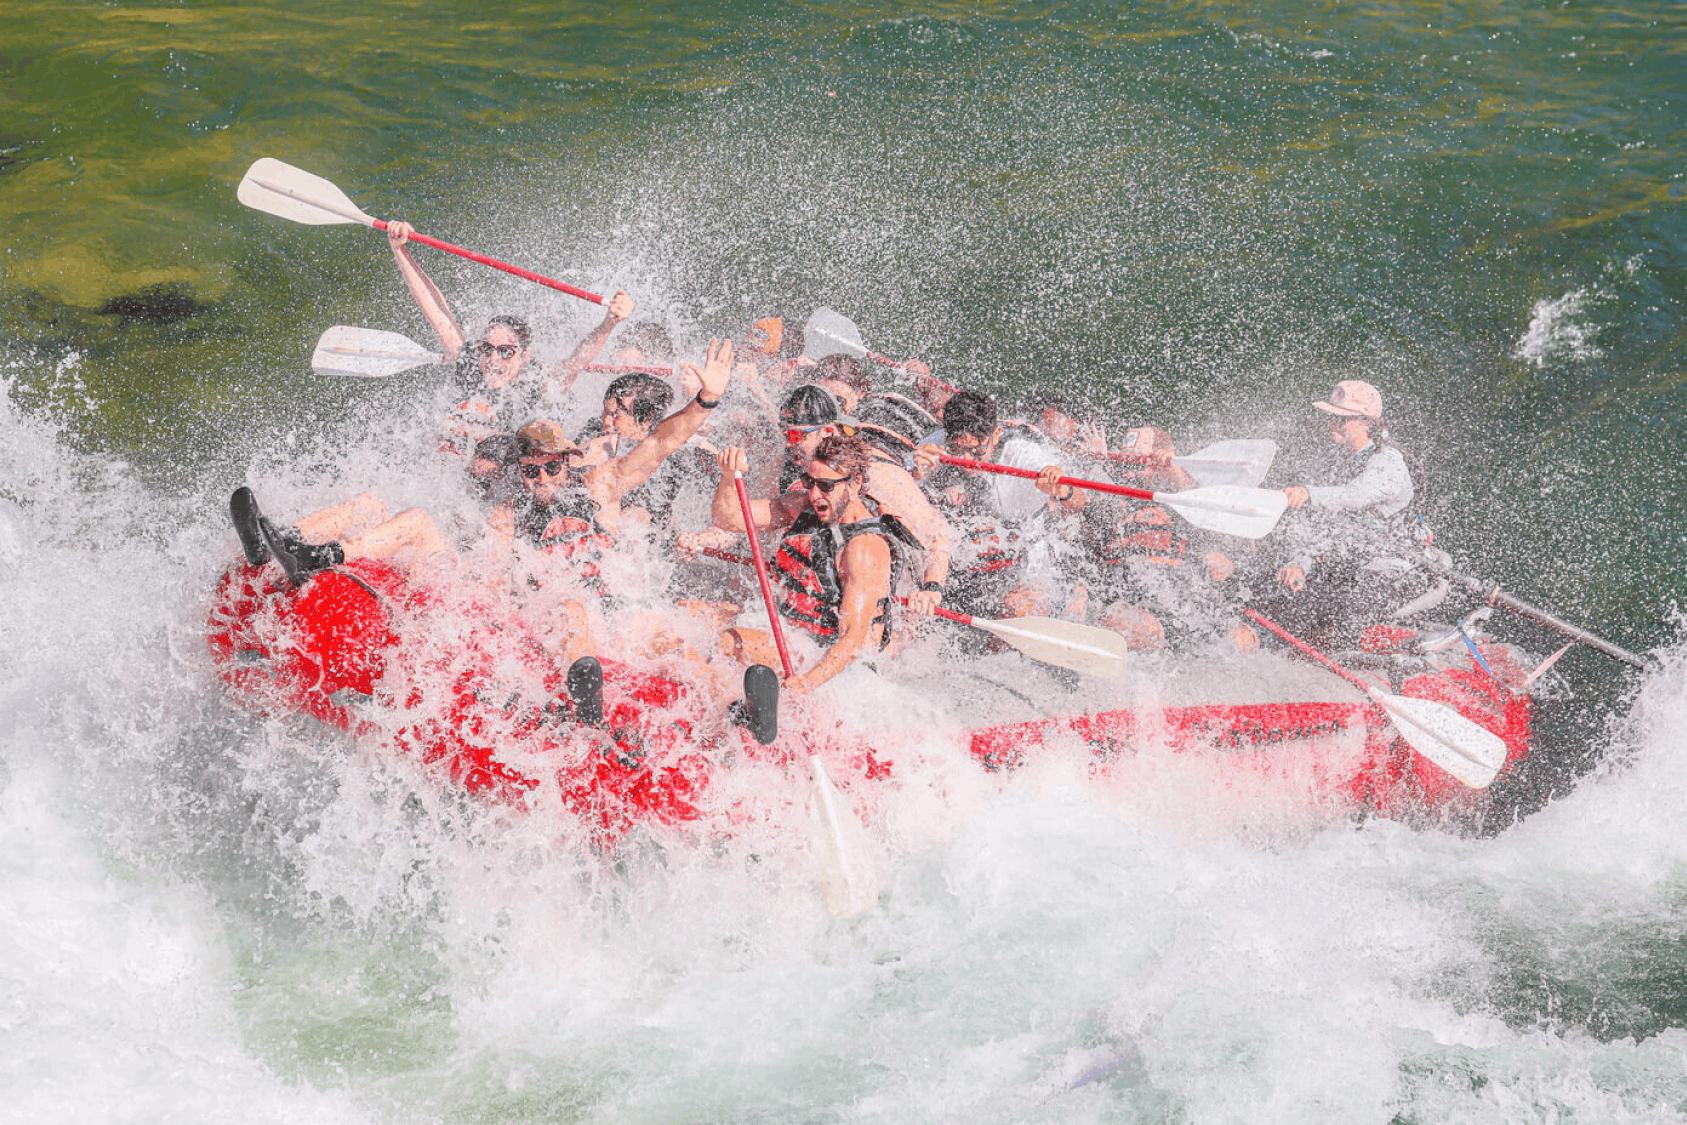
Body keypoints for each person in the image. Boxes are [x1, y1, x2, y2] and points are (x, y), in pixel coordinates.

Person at [383, 220, 635, 448]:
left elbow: (578, 361)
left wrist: (610, 321)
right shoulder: (472, 363)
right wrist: (400, 250)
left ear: (524, 356)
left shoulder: (540, 383)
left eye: (506, 352)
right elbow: (438, 314)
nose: (493, 360)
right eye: (487, 349)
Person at [704, 435, 917, 695]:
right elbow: (729, 519)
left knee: (729, 642)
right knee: (695, 615)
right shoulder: (802, 506)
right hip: (795, 633)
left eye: (826, 486)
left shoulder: (865, 548)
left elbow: (852, 638)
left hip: (835, 664)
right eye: (810, 482)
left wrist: (807, 683)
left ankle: (726, 712)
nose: (815, 494)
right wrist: (728, 477)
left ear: (855, 483)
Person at [1266, 379, 1432, 645]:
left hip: (1396, 571)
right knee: (1283, 602)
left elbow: (1355, 496)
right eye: (1331, 417)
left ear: (1366, 422)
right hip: (1353, 565)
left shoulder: (1389, 461)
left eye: (1341, 419)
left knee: (1338, 617)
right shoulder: (1337, 462)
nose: (1332, 423)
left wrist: (1309, 493)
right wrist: (1299, 563)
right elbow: (1319, 526)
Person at [911, 389, 1083, 619]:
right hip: (958, 575)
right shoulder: (934, 445)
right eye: (957, 451)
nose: (967, 462)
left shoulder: (1024, 454)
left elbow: (1080, 501)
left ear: (996, 434)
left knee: (1018, 608)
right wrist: (914, 474)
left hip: (1022, 577)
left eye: (978, 451)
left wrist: (1063, 490)